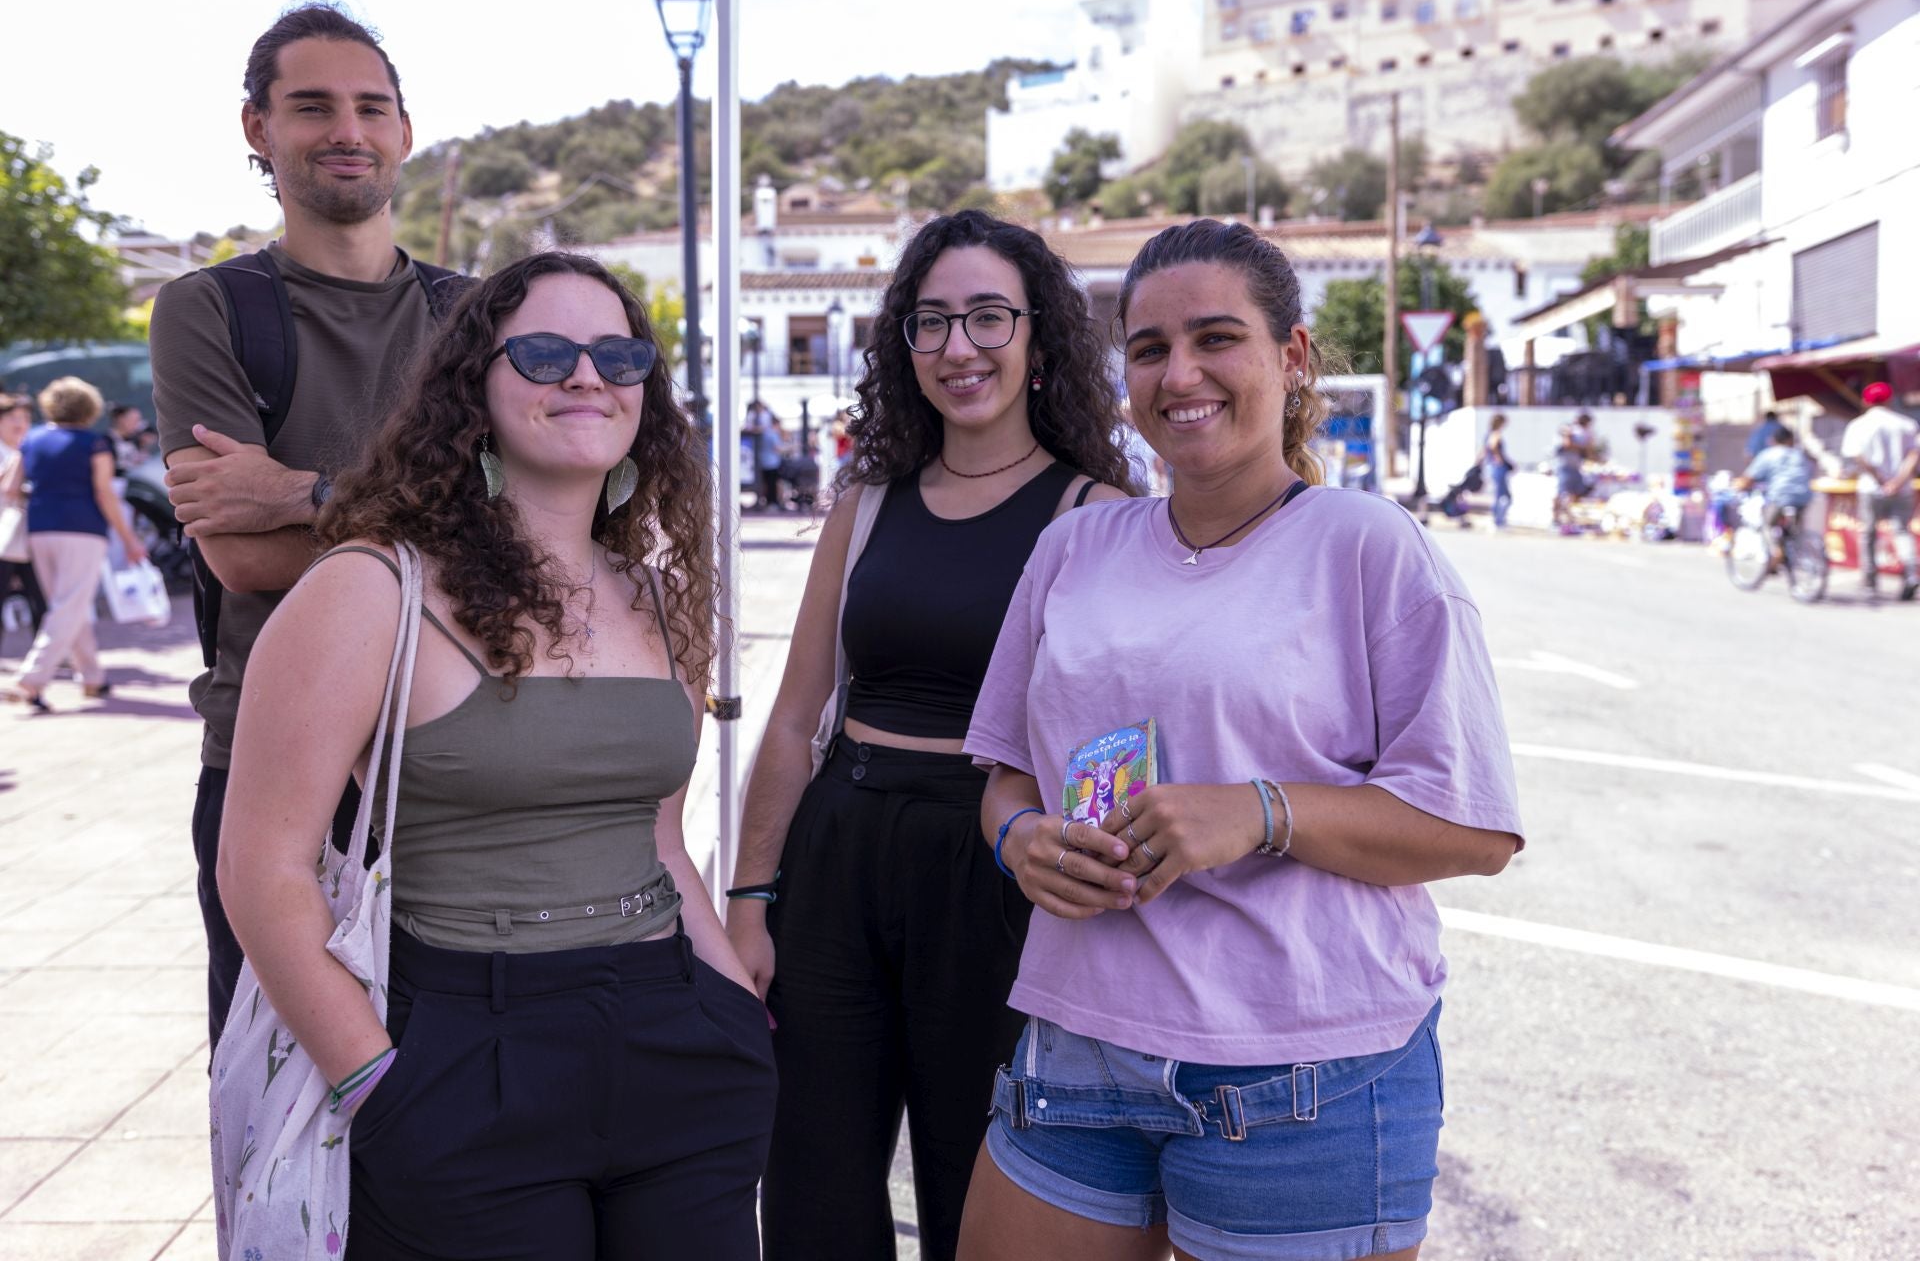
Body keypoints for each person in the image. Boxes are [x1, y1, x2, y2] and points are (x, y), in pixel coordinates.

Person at [958, 219, 1523, 1261]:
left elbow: (1473, 828)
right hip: (1076, 1047)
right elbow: (1005, 771)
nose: (1181, 373)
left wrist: (1262, 811)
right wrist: (1022, 838)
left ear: (1292, 357)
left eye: (1218, 337)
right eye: (1149, 347)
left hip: (1306, 1074)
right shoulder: (1074, 546)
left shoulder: (1368, 546)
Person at [219, 251, 775, 1257]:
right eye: (546, 350)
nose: (586, 374)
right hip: (464, 1054)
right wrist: (373, 1079)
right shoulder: (371, 589)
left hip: (678, 1041)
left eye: (618, 352)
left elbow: (662, 839)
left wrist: (733, 1003)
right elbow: (261, 865)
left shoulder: (656, 596)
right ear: (472, 384)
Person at [726, 208, 1134, 1261]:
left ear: (1041, 336)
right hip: (839, 849)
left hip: (991, 863)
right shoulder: (864, 501)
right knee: (812, 1182)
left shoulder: (1096, 512)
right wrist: (748, 898)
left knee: (977, 1189)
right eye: (932, 321)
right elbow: (793, 715)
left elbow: (1110, 739)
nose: (960, 348)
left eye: (989, 317)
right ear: (903, 347)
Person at [152, 4, 454, 1046]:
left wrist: (308, 496)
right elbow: (238, 557)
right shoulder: (211, 309)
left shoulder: (480, 318)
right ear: (257, 128)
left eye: (372, 107)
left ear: (405, 132)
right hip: (278, 775)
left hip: (460, 758)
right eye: (312, 105)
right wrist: (448, 528)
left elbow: (541, 524)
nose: (347, 129)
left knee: (461, 1112)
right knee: (287, 1122)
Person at [2, 378, 147, 713]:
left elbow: (10, 488)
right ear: (88, 407)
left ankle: (92, 676)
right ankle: (31, 680)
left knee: (67, 603)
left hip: (40, 528)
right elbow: (104, 493)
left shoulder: (32, 439)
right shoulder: (93, 443)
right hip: (83, 528)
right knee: (69, 604)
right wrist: (129, 539)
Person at [1840, 380, 1919, 600]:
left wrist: (1881, 479)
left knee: (1869, 533)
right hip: (1902, 488)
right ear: (1890, 399)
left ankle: (1870, 579)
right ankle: (1911, 574)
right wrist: (1897, 481)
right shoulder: (1906, 424)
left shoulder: (1859, 425)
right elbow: (1914, 455)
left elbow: (1857, 456)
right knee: (1902, 530)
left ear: (1865, 401)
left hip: (1871, 487)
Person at [0, 396, 49, 650]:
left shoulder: (31, 449)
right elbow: (8, 488)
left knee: (41, 598)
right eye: (14, 418)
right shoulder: (15, 452)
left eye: (26, 418)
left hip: (30, 535)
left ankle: (44, 654)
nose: (21, 424)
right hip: (4, 537)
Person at [1481, 411, 1514, 530]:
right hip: (1498, 467)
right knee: (1503, 495)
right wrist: (1499, 459)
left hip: (1491, 466)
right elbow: (1493, 446)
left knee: (1499, 494)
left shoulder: (1488, 434)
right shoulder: (1496, 434)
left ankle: (1497, 520)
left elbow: (1483, 452)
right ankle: (1498, 520)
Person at [108, 403, 148, 472]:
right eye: (135, 420)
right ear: (121, 419)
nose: (138, 424)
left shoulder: (135, 441)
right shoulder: (106, 442)